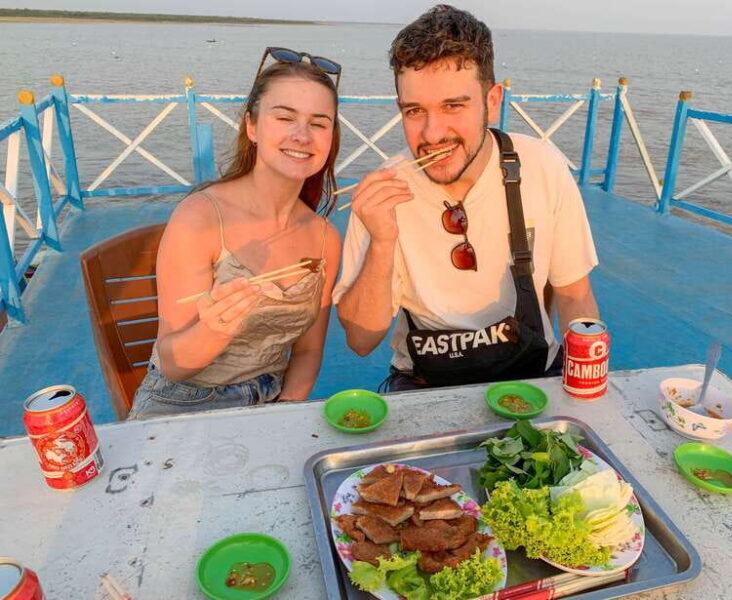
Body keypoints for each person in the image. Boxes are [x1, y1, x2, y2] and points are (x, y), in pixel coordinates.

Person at [333, 5, 599, 392]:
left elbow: (575, 295)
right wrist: (382, 240)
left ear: (492, 101)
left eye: (453, 106)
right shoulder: (385, 190)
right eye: (414, 111)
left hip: (531, 374)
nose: (433, 133)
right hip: (426, 381)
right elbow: (360, 340)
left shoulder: (541, 166)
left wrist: (585, 389)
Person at [128, 49, 342, 419]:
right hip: (183, 401)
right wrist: (214, 330)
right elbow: (173, 363)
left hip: (272, 402)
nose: (302, 135)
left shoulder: (325, 238)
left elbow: (308, 352)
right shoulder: (201, 218)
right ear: (252, 126)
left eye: (319, 123)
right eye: (285, 117)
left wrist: (283, 414)